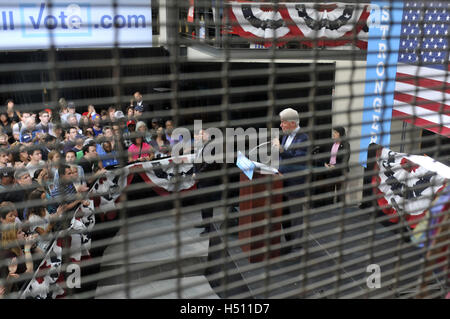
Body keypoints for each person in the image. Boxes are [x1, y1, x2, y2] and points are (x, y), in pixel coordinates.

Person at [272, 107, 308, 255]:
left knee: (296, 217)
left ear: (292, 123)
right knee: (286, 216)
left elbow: (298, 162)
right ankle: (289, 242)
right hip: (282, 182)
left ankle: (297, 247)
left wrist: (281, 150)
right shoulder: (287, 135)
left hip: (295, 184)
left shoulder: (303, 138)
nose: (281, 125)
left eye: (283, 123)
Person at [193, 129, 222, 236]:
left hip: (208, 180)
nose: (200, 136)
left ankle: (209, 228)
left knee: (207, 203)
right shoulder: (201, 146)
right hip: (201, 179)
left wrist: (198, 174)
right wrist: (195, 172)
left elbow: (209, 164)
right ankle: (205, 222)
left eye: (202, 134)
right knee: (203, 202)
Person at [324, 126, 350, 203]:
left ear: (341, 134)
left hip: (340, 172)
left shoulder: (345, 145)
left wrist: (335, 166)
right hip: (330, 171)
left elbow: (345, 159)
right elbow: (326, 155)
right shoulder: (331, 143)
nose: (334, 134)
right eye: (333, 132)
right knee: (329, 193)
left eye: (336, 132)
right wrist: (325, 163)